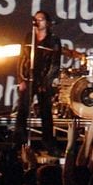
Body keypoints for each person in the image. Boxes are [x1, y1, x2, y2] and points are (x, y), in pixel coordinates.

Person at [15, 11, 61, 152]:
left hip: (43, 81)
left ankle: (48, 142)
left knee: (45, 112)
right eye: (36, 19)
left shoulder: (53, 41)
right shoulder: (29, 37)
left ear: (47, 22)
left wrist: (46, 82)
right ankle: (20, 143)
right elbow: (22, 59)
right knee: (22, 111)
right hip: (28, 78)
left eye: (41, 19)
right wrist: (21, 79)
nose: (38, 21)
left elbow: (55, 65)